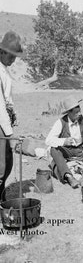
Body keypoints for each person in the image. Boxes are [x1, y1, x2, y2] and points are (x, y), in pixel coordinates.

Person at [0, 31, 24, 199]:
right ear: (2, 52)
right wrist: (8, 132)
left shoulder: (4, 70)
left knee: (7, 164)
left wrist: (12, 113)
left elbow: (7, 100)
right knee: (1, 167)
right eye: (11, 56)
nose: (14, 60)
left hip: (4, 122)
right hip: (1, 125)